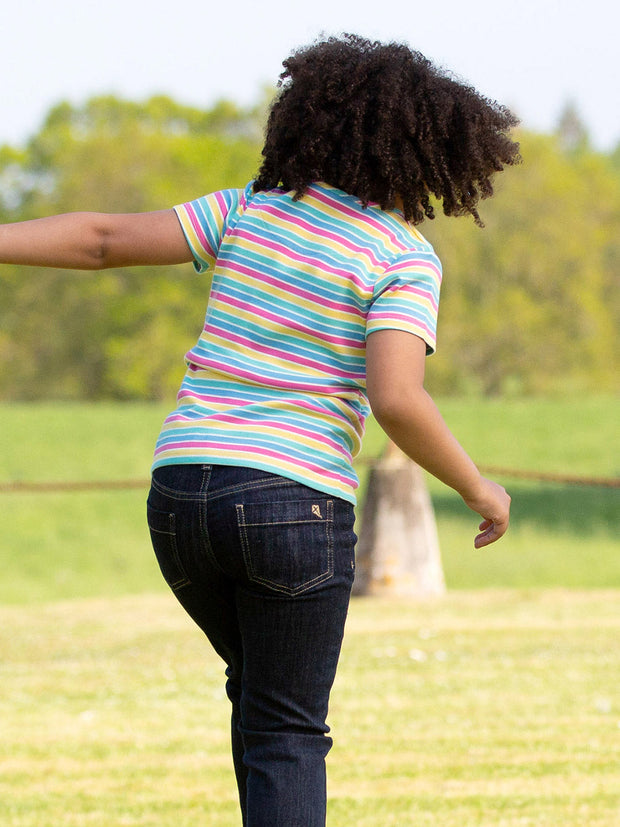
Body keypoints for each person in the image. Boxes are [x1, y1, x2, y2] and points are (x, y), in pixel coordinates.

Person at [0, 34, 519, 826]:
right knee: (286, 726)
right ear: (427, 158)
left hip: (181, 497)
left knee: (262, 698)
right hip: (291, 506)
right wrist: (480, 487)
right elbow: (397, 397)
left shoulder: (246, 210)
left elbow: (100, 240)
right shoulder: (401, 256)